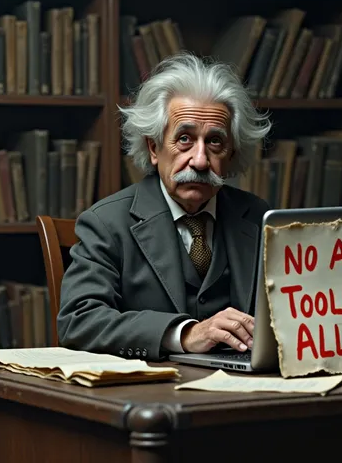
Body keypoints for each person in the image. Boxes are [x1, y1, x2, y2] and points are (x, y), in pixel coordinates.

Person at [57, 53, 272, 362]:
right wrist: (185, 334)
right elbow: (78, 321)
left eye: (214, 142)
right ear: (154, 147)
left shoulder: (258, 216)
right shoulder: (105, 223)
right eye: (184, 139)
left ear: (231, 153)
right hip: (152, 395)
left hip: (245, 394)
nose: (199, 160)